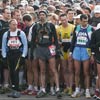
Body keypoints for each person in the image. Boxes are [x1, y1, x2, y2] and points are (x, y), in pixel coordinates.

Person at [31, 10, 61, 98]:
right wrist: (32, 52)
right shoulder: (35, 26)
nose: (41, 16)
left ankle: (58, 89)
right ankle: (43, 89)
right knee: (42, 70)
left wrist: (57, 49)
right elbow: (33, 39)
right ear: (38, 16)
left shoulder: (51, 25)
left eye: (43, 15)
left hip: (49, 47)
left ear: (46, 16)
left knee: (53, 69)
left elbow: (55, 38)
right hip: (40, 48)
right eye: (40, 15)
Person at [69, 14, 95, 98]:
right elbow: (73, 41)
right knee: (77, 71)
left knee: (86, 72)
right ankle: (77, 90)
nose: (85, 23)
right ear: (80, 21)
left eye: (86, 21)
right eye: (83, 21)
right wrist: (71, 52)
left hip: (86, 50)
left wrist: (92, 54)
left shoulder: (91, 29)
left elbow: (93, 43)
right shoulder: (76, 28)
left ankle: (87, 90)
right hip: (77, 50)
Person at [2, 19, 28, 98]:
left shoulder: (21, 33)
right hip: (10, 54)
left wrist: (23, 55)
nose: (15, 26)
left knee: (15, 71)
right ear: (9, 25)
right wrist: (4, 56)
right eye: (13, 24)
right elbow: (4, 45)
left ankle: (17, 90)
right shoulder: (6, 34)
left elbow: (25, 45)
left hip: (18, 55)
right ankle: (13, 89)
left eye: (16, 24)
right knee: (11, 72)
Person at [56, 13, 75, 96]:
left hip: (70, 50)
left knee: (70, 69)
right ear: (60, 20)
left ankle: (71, 87)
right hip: (62, 51)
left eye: (65, 20)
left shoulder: (73, 27)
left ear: (67, 19)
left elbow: (75, 40)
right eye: (62, 20)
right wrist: (61, 43)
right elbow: (57, 40)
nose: (63, 21)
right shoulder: (58, 28)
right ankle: (67, 86)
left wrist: (70, 46)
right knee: (64, 69)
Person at [90, 23, 100, 100]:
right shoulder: (96, 33)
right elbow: (92, 45)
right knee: (99, 75)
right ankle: (97, 92)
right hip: (98, 56)